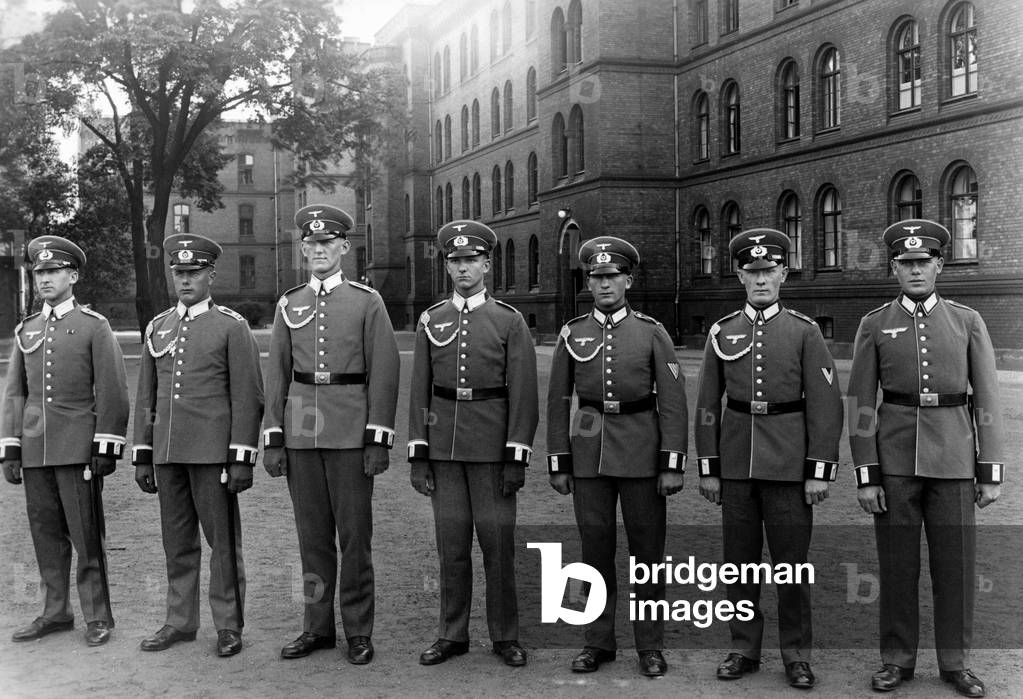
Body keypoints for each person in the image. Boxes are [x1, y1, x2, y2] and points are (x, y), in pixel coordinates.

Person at [848, 220, 1004, 698]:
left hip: (955, 460)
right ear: (894, 268)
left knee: (956, 568)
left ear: (939, 265)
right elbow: (861, 405)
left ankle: (955, 663)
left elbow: (987, 400)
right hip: (894, 461)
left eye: (923, 262)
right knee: (897, 567)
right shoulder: (875, 324)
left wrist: (989, 471)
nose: (915, 270)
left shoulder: (966, 320)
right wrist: (867, 474)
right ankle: (896, 661)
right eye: (906, 263)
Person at [695, 228, 843, 690]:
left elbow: (826, 406)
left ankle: (797, 655)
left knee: (791, 566)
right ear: (740, 276)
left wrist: (818, 470)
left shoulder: (804, 331)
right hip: (737, 465)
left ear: (783, 274)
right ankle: (743, 648)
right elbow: (707, 405)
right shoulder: (723, 332)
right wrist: (710, 468)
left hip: (789, 467)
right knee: (738, 565)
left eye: (769, 271)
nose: (761, 280)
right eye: (752, 272)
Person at [263, 204, 399, 665]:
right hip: (302, 434)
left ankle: (358, 630)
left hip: (350, 433)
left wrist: (377, 438)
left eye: (327, 243)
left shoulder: (366, 301)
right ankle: (316, 627)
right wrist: (274, 437)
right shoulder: (289, 303)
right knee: (311, 538)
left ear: (344, 247)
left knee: (355, 538)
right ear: (303, 249)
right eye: (312, 244)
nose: (319, 250)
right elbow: (277, 374)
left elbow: (384, 371)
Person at [546, 236, 687, 678]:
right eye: (597, 277)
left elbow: (673, 402)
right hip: (589, 454)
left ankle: (650, 645)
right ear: (588, 282)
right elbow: (557, 400)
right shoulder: (573, 333)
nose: (605, 284)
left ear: (628, 280)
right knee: (593, 552)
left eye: (613, 276)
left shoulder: (651, 331)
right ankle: (597, 642)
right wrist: (559, 460)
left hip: (642, 453)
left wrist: (671, 463)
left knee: (647, 555)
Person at [407, 220, 538, 668]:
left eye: (471, 260)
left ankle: (505, 636)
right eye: (455, 261)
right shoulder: (432, 320)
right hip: (444, 452)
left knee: (498, 547)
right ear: (447, 266)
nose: (463, 268)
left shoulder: (509, 321)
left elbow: (523, 395)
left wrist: (516, 457)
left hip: (492, 452)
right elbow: (420, 391)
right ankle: (452, 634)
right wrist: (419, 454)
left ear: (487, 264)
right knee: (452, 547)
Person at [132, 233, 263, 657]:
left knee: (222, 544)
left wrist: (241, 457)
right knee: (176, 543)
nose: (185, 280)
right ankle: (179, 621)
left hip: (212, 455)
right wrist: (144, 454)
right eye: (179, 273)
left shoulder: (231, 326)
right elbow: (147, 395)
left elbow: (248, 397)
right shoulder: (159, 326)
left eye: (194, 272)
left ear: (211, 275)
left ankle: (228, 625)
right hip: (168, 453)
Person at [1, 235, 129, 647]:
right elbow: (14, 393)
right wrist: (10, 447)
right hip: (35, 448)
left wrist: (106, 445)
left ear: (72, 276)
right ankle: (55, 612)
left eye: (54, 271)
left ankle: (97, 615)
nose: (45, 278)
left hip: (78, 449)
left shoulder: (93, 325)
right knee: (45, 534)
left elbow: (112, 390)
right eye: (39, 271)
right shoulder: (27, 329)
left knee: (86, 536)